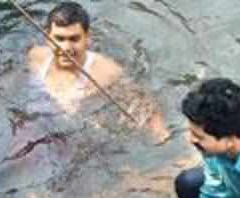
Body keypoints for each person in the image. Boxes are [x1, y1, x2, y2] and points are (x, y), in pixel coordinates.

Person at [27, 1, 169, 142]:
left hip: (79, 141)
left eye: (74, 39)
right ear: (48, 37)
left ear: (87, 37)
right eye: (59, 39)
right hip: (37, 129)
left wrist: (162, 138)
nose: (66, 47)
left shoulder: (106, 72)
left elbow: (147, 108)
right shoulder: (37, 58)